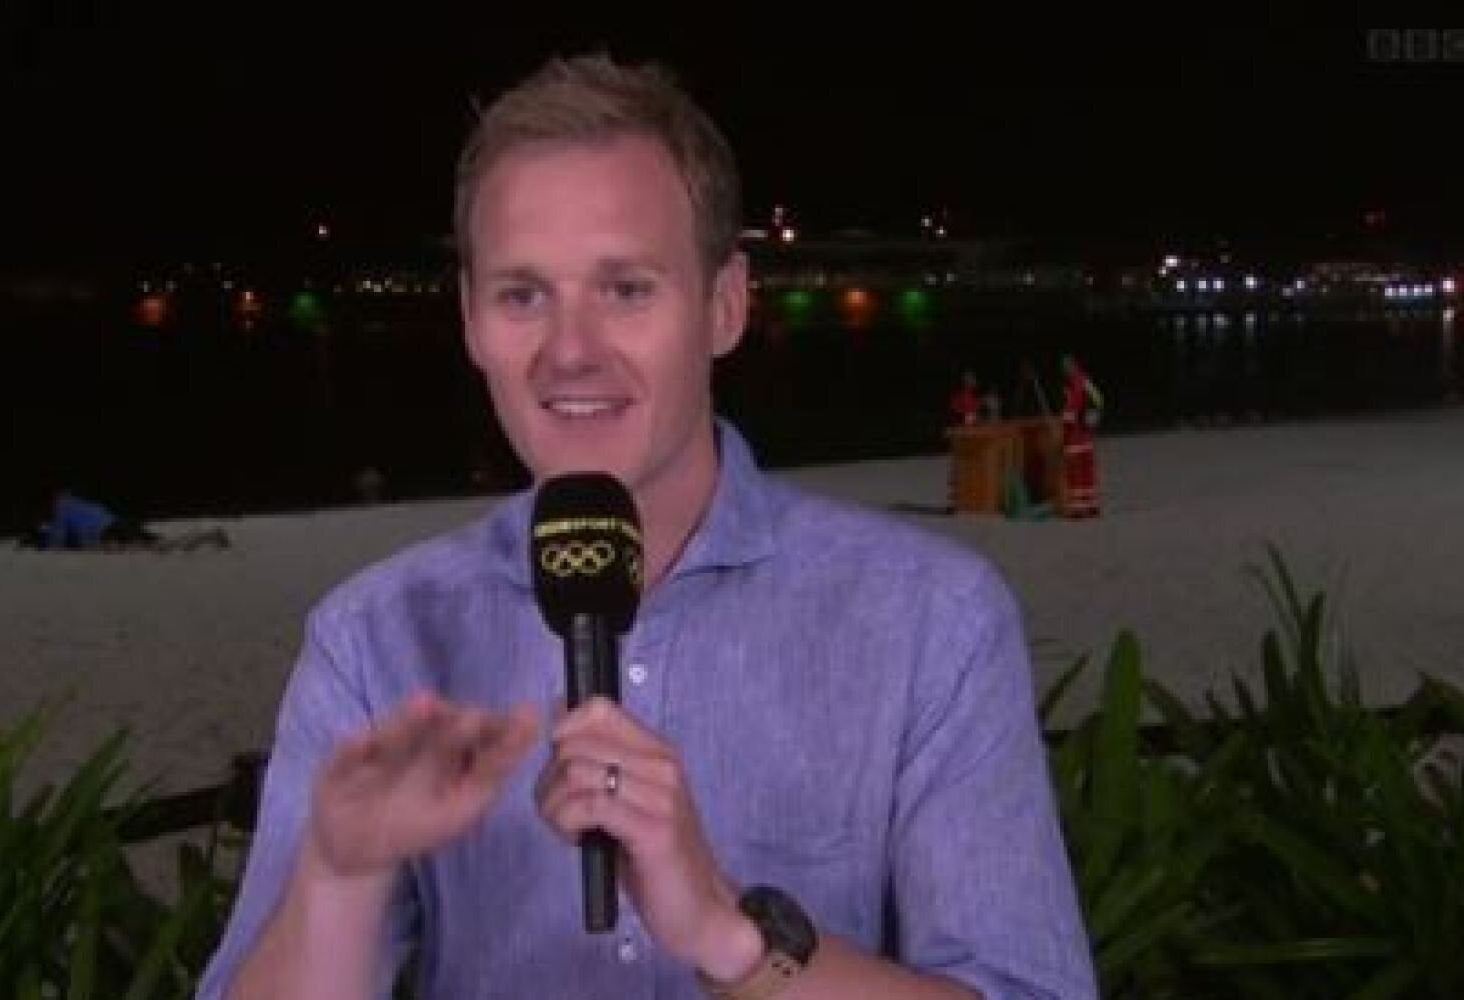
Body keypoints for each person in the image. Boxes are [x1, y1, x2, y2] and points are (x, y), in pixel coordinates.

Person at [200, 55, 1093, 1000]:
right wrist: (339, 880)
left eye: (626, 289)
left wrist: (730, 935)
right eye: (523, 295)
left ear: (725, 305)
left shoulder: (930, 619)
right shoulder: (374, 638)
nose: (570, 352)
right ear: (470, 321)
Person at [31, 489, 229, 552]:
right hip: (120, 523)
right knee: (159, 542)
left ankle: (203, 537)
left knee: (159, 548)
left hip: (110, 533)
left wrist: (42, 539)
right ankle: (205, 536)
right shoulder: (84, 504)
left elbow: (56, 543)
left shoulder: (62, 510)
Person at [1057, 353, 1104, 518]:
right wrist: (1092, 419)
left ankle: (1079, 508)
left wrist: (1065, 423)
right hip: (1085, 435)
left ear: (1073, 365)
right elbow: (1099, 400)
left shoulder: (1074, 384)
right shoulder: (1085, 381)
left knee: (1076, 473)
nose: (1065, 369)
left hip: (1075, 435)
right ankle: (1091, 505)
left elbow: (1071, 410)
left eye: (1066, 366)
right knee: (1087, 472)